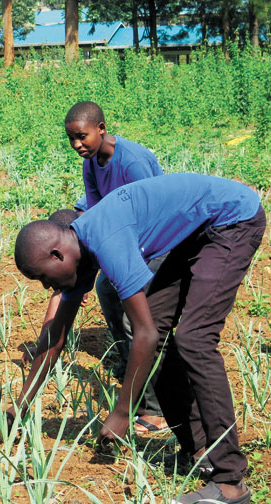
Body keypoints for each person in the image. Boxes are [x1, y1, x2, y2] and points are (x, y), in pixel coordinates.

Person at [11, 173, 265, 504]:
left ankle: (230, 482)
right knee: (155, 330)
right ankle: (200, 450)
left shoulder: (106, 239)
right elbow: (56, 337)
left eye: (42, 276)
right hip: (196, 231)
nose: (45, 287)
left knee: (194, 338)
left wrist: (122, 412)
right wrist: (21, 404)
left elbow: (144, 334)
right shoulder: (78, 254)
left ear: (57, 254)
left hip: (231, 219)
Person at [24, 101, 167, 435]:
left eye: (82, 136)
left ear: (101, 128)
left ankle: (155, 407)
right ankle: (129, 364)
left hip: (156, 242)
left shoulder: (133, 162)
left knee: (139, 321)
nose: (77, 144)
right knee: (105, 288)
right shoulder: (91, 163)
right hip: (124, 240)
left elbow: (152, 212)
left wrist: (122, 262)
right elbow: (97, 212)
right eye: (71, 139)